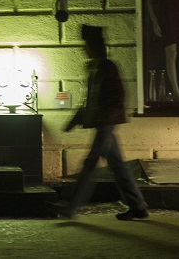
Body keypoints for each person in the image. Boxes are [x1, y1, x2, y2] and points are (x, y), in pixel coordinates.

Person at [50, 26, 149, 221]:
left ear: (93, 46)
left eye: (85, 45)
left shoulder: (106, 67)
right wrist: (76, 119)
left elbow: (116, 97)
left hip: (106, 124)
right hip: (105, 123)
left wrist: (100, 119)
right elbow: (90, 100)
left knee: (90, 163)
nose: (83, 49)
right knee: (118, 166)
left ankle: (70, 207)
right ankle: (138, 206)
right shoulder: (97, 68)